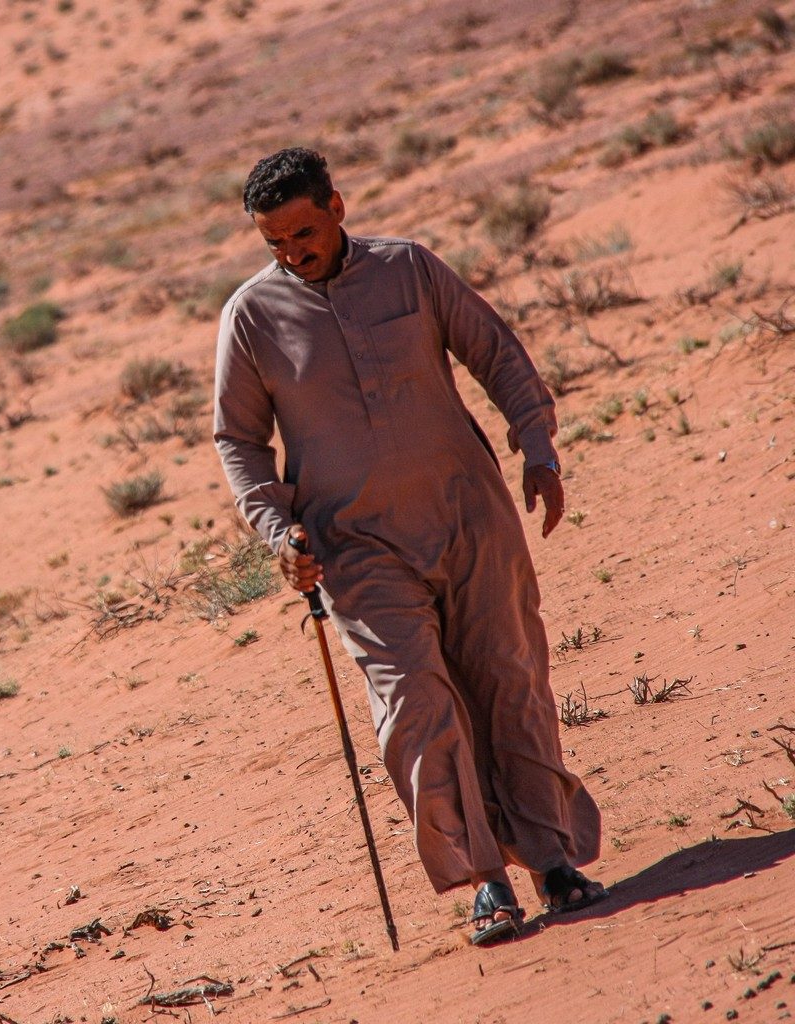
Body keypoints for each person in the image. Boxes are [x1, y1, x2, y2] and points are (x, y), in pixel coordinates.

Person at [213, 147, 605, 945]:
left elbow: (495, 352)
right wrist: (276, 530)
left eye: (303, 231)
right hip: (353, 547)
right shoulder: (251, 318)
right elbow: (239, 441)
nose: (294, 252)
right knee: (416, 707)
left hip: (469, 518)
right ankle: (486, 882)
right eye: (276, 242)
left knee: (509, 679)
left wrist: (538, 446)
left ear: (337, 207)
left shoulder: (410, 270)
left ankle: (553, 860)